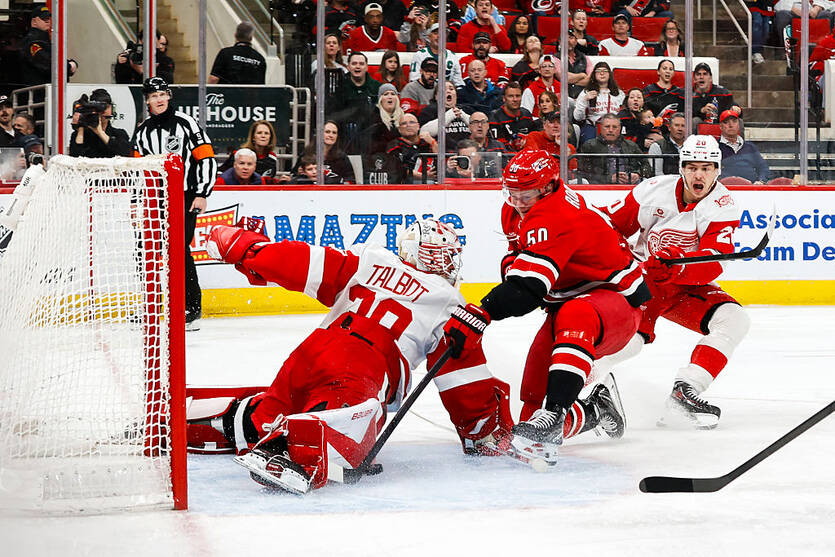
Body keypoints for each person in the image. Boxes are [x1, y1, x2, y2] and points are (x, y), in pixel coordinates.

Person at [188, 218, 514, 493]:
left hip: (313, 350)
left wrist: (248, 248)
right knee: (351, 422)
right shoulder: (448, 302)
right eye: (444, 255)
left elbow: (304, 262)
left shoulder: (371, 260)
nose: (448, 263)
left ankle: (228, 418)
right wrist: (482, 428)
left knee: (279, 401)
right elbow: (463, 384)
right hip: (364, 368)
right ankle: (291, 443)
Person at [440, 150, 649, 465]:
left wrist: (482, 311)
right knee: (531, 410)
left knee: (572, 326)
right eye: (513, 193)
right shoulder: (514, 210)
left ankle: (556, 415)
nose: (519, 201)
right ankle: (593, 410)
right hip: (569, 303)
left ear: (549, 187)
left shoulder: (554, 214)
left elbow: (528, 291)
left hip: (614, 303)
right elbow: (520, 266)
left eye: (527, 193)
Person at [598, 135, 750, 429]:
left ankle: (685, 391)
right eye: (693, 167)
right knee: (629, 343)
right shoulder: (653, 190)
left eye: (706, 168)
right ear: (682, 167)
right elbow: (610, 227)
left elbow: (714, 261)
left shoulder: (723, 205)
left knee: (734, 320)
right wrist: (623, 262)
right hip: (643, 283)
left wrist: (677, 268)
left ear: (717, 170)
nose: (699, 175)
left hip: (684, 286)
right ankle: (585, 389)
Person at [131, 77, 217, 331]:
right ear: (146, 100)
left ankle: (191, 308)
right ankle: (150, 305)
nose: (158, 100)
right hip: (156, 199)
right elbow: (137, 171)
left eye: (162, 95)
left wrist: (202, 193)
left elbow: (206, 158)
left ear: (168, 96)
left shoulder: (186, 123)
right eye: (153, 96)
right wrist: (137, 202)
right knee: (144, 249)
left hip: (186, 196)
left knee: (178, 249)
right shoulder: (143, 131)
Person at [329, 52, 381, 154]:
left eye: (361, 64)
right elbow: (334, 114)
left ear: (366, 67)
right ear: (348, 67)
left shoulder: (377, 87)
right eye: (354, 63)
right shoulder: (339, 87)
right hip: (344, 135)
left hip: (371, 137)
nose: (357, 66)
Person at [579, 113, 653, 184]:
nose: (611, 130)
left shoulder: (631, 145)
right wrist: (609, 178)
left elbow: (647, 166)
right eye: (607, 126)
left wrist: (637, 174)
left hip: (631, 185)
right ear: (601, 128)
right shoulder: (589, 146)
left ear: (620, 128)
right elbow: (584, 172)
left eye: (614, 127)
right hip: (601, 187)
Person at [20, 6, 77, 86]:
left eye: (48, 18)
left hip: (46, 91)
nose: (47, 21)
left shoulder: (45, 41)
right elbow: (48, 65)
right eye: (43, 18)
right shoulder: (33, 43)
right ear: (34, 21)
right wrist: (70, 66)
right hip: (40, 93)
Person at [69, 89, 132, 158]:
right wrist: (81, 127)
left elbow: (125, 152)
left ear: (112, 109)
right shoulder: (80, 135)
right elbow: (74, 158)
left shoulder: (119, 134)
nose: (102, 111)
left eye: (106, 107)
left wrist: (100, 133)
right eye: (98, 108)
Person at [573, 62, 625, 144]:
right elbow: (577, 117)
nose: (602, 73)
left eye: (605, 71)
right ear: (594, 74)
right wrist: (584, 100)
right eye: (598, 71)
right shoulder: (586, 92)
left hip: (614, 128)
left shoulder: (619, 94)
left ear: (610, 74)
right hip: (593, 127)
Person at [384, 112, 437, 183]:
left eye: (412, 122)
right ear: (399, 129)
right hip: (406, 186)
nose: (408, 125)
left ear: (418, 126)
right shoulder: (394, 145)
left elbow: (442, 160)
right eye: (404, 123)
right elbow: (399, 169)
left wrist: (433, 142)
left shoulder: (426, 142)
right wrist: (423, 176)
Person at [718, 111, 770, 183]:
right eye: (726, 122)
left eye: (734, 121)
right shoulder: (715, 147)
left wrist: (761, 181)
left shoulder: (750, 147)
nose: (731, 125)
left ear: (739, 125)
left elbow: (763, 168)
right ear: (721, 126)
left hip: (750, 190)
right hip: (725, 189)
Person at [521, 111, 578, 176]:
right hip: (538, 178)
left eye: (559, 123)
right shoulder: (534, 137)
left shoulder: (569, 147)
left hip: (560, 180)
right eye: (552, 122)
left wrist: (563, 147)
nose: (555, 126)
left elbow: (573, 172)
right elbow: (534, 162)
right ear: (544, 125)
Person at [419, 82, 472, 151]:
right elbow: (423, 132)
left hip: (468, 151)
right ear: (436, 96)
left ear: (456, 95)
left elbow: (478, 127)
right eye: (443, 89)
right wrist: (449, 115)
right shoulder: (429, 111)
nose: (448, 91)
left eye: (451, 89)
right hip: (442, 153)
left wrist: (463, 116)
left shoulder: (466, 110)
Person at [489, 81, 535, 152]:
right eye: (511, 96)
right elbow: (498, 145)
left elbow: (533, 139)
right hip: (505, 157)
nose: (515, 99)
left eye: (518, 96)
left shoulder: (526, 115)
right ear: (504, 98)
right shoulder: (495, 116)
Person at [367, 83, 406, 156]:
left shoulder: (404, 117)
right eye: (386, 94)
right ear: (380, 99)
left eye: (393, 94)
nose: (390, 97)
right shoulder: (373, 118)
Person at [746, 0, 775, 65]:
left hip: (767, 5)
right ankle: (755, 51)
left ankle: (760, 51)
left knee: (766, 27)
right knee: (757, 23)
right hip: (754, 4)